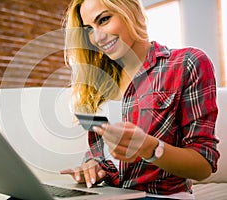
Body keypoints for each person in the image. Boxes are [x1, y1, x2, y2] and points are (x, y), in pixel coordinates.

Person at [60, 0, 220, 198]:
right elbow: (100, 154)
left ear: (130, 10)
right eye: (89, 30)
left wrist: (149, 148)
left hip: (159, 196)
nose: (98, 37)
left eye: (104, 19)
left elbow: (203, 166)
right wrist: (92, 166)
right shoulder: (99, 84)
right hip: (108, 194)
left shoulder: (186, 63)